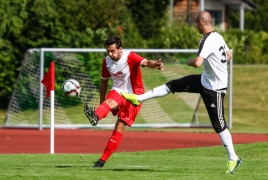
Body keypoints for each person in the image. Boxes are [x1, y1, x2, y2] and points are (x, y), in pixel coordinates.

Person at [121, 11, 242, 174]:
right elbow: (229, 55)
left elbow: (198, 63)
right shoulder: (218, 37)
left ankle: (233, 158)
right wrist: (216, 66)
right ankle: (138, 98)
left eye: (195, 23)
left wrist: (190, 61)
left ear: (201, 23)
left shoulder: (207, 40)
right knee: (172, 85)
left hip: (215, 88)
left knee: (219, 125)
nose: (194, 26)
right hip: (204, 81)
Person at [84, 35, 164, 168]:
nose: (110, 54)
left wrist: (155, 64)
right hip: (117, 90)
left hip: (135, 94)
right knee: (108, 103)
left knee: (120, 125)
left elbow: (145, 62)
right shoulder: (106, 61)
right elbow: (104, 81)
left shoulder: (130, 56)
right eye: (108, 51)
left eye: (112, 51)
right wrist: (101, 101)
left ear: (120, 49)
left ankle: (101, 161)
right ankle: (96, 116)